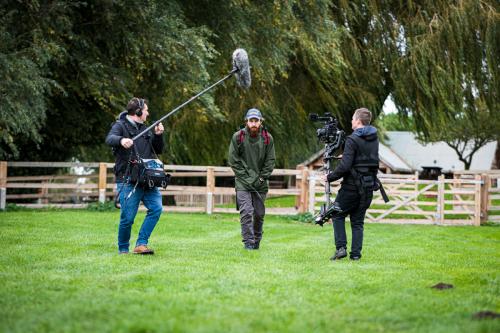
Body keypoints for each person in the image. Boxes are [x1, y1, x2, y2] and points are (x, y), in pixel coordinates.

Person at [105, 97, 165, 255]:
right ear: (138, 112)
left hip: (147, 178)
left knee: (156, 208)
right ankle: (123, 249)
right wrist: (121, 140)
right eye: (146, 110)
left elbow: (158, 150)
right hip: (128, 179)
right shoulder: (120, 126)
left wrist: (158, 135)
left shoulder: (145, 129)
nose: (148, 113)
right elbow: (109, 139)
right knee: (128, 218)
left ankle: (141, 244)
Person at [324, 108, 379, 261]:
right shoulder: (373, 139)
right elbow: (366, 159)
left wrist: (330, 177)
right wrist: (348, 155)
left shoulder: (352, 139)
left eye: (353, 119)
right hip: (368, 186)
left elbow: (345, 167)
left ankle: (341, 248)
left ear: (358, 121)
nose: (351, 121)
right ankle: (355, 255)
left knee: (336, 214)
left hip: (352, 187)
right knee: (357, 221)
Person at [228, 108, 276, 250]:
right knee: (247, 212)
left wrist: (261, 178)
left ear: (261, 122)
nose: (254, 123)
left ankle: (256, 241)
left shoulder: (268, 138)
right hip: (243, 182)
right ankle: (248, 243)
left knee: (259, 214)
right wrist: (246, 177)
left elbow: (270, 160)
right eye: (251, 121)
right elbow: (233, 160)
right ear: (246, 122)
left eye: (256, 121)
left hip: (260, 183)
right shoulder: (238, 137)